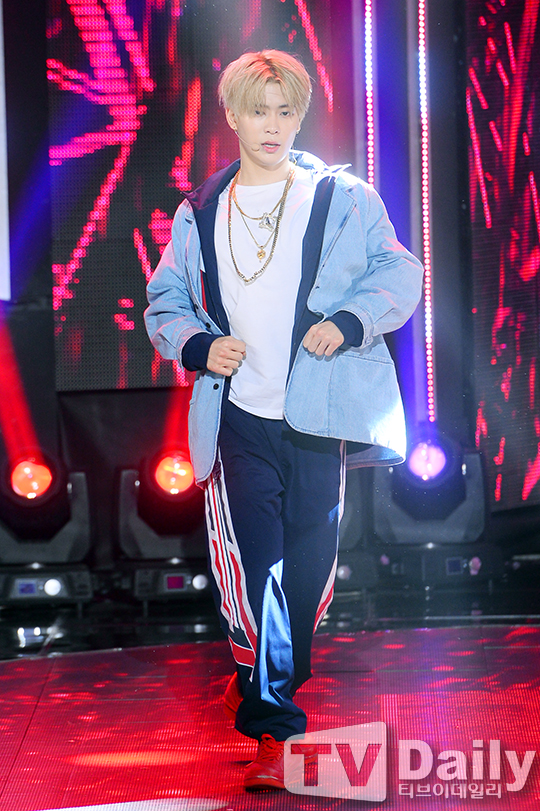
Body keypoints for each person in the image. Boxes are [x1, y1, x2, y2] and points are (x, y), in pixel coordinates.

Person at [145, 49, 423, 791]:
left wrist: (350, 320)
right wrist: (199, 344)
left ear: (300, 116)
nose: (272, 125)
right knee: (259, 574)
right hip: (237, 419)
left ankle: (261, 682)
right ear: (232, 117)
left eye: (286, 110)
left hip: (316, 417)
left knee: (309, 578)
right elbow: (164, 302)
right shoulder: (201, 210)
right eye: (258, 110)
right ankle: (276, 729)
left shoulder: (343, 198)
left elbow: (400, 273)